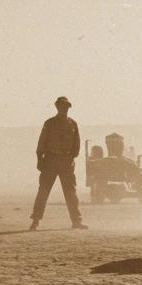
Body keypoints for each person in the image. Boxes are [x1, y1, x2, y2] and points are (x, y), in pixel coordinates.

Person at [29, 96, 87, 231]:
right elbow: (42, 142)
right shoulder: (49, 123)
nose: (63, 109)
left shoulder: (73, 124)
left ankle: (76, 221)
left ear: (68, 108)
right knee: (43, 191)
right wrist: (39, 159)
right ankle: (35, 221)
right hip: (50, 160)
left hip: (66, 162)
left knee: (70, 192)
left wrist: (70, 158)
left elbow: (76, 144)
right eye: (61, 106)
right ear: (57, 107)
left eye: (66, 106)